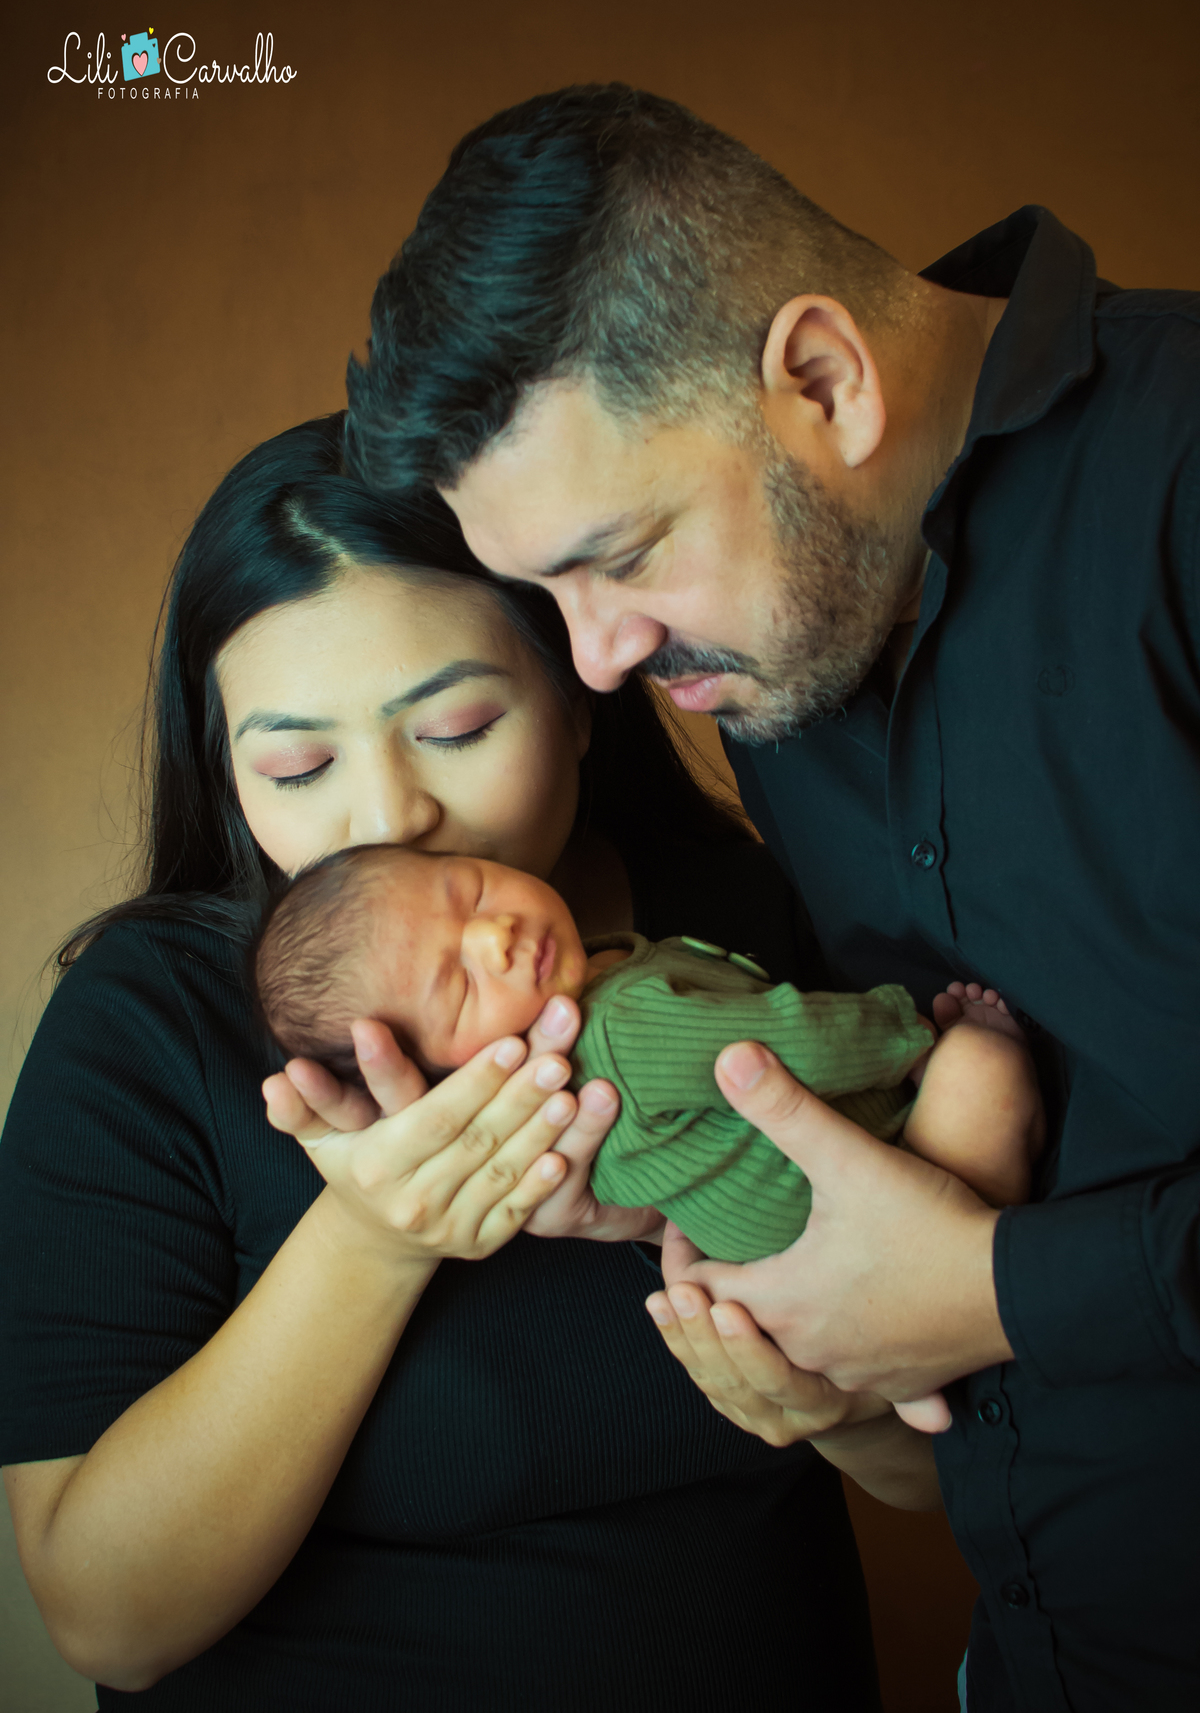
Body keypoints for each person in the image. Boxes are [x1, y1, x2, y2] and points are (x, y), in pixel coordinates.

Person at [342, 85, 1200, 1711]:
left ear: (821, 377)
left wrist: (997, 1293)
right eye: (545, 595)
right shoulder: (761, 662)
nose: (592, 658)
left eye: (625, 553)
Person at [2, 413, 952, 1713]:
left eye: (451, 728)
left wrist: (826, 1401)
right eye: (297, 764)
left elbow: (942, 1465)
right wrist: (375, 1241)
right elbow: (108, 1620)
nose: (387, 816)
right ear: (229, 779)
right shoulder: (150, 1026)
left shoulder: (753, 923)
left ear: (574, 695)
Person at [253, 841, 1040, 1263]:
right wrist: (905, 1035)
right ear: (447, 1077)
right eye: (458, 985)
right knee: (981, 1072)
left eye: (471, 889)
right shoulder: (621, 1028)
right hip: (869, 1203)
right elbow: (787, 1040)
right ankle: (985, 1222)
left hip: (789, 1253)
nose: (497, 936)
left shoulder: (592, 990)